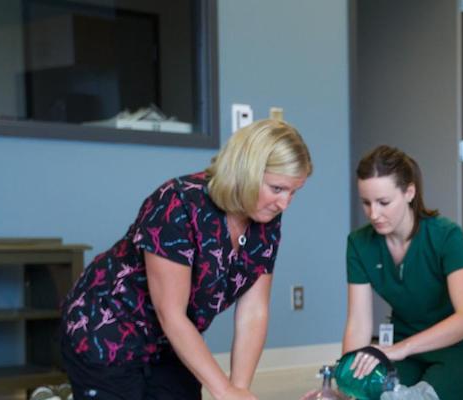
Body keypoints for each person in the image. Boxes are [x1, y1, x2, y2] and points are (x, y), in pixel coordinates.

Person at [59, 118, 312, 400]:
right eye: (277, 188)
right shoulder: (177, 202)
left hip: (169, 344)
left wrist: (239, 389)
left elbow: (254, 311)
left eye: (293, 192)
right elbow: (171, 313)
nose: (284, 203)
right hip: (106, 329)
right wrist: (224, 391)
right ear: (246, 172)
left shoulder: (266, 218)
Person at [341, 145, 463, 400]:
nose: (374, 214)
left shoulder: (445, 235)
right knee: (373, 394)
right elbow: (358, 323)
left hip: (458, 347)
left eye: (383, 202)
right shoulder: (359, 243)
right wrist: (347, 383)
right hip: (405, 346)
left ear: (409, 192)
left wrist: (401, 348)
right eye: (366, 203)